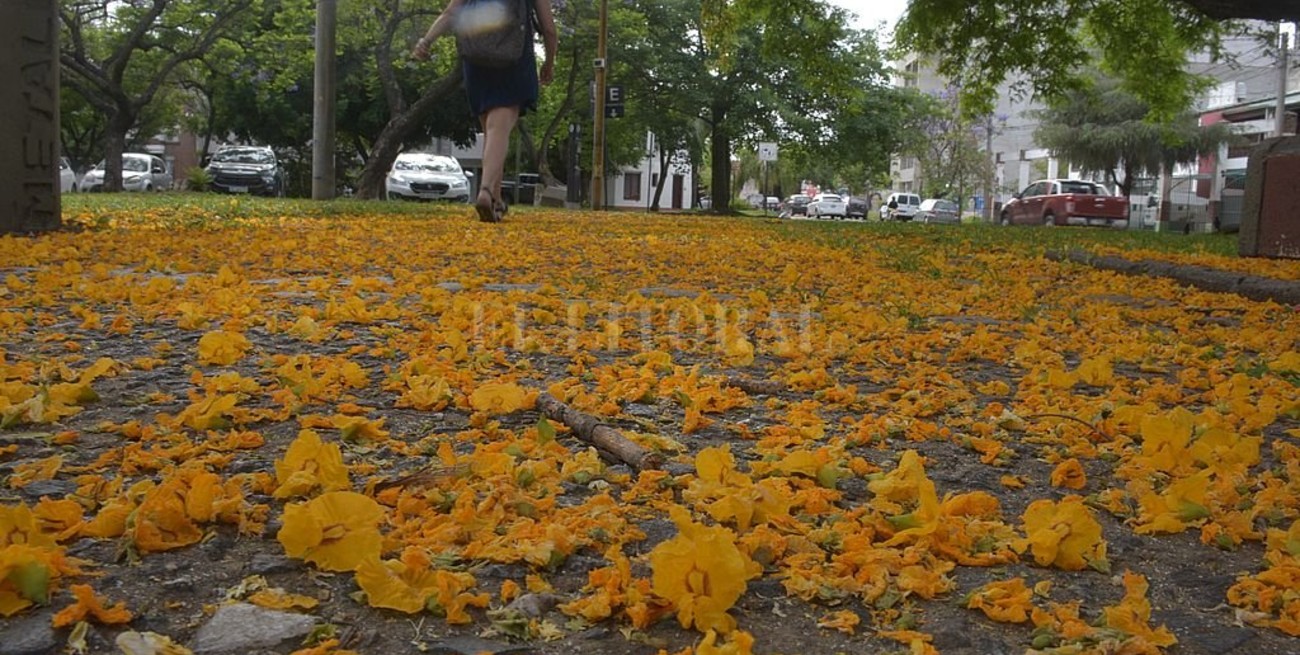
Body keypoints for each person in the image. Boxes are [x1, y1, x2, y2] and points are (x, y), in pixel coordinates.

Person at [413, 0, 557, 222]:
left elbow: (452, 12)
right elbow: (548, 28)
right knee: (498, 129)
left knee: (491, 133)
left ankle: (496, 200)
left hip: (477, 60)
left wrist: (426, 41)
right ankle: (487, 191)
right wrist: (549, 62)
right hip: (514, 60)